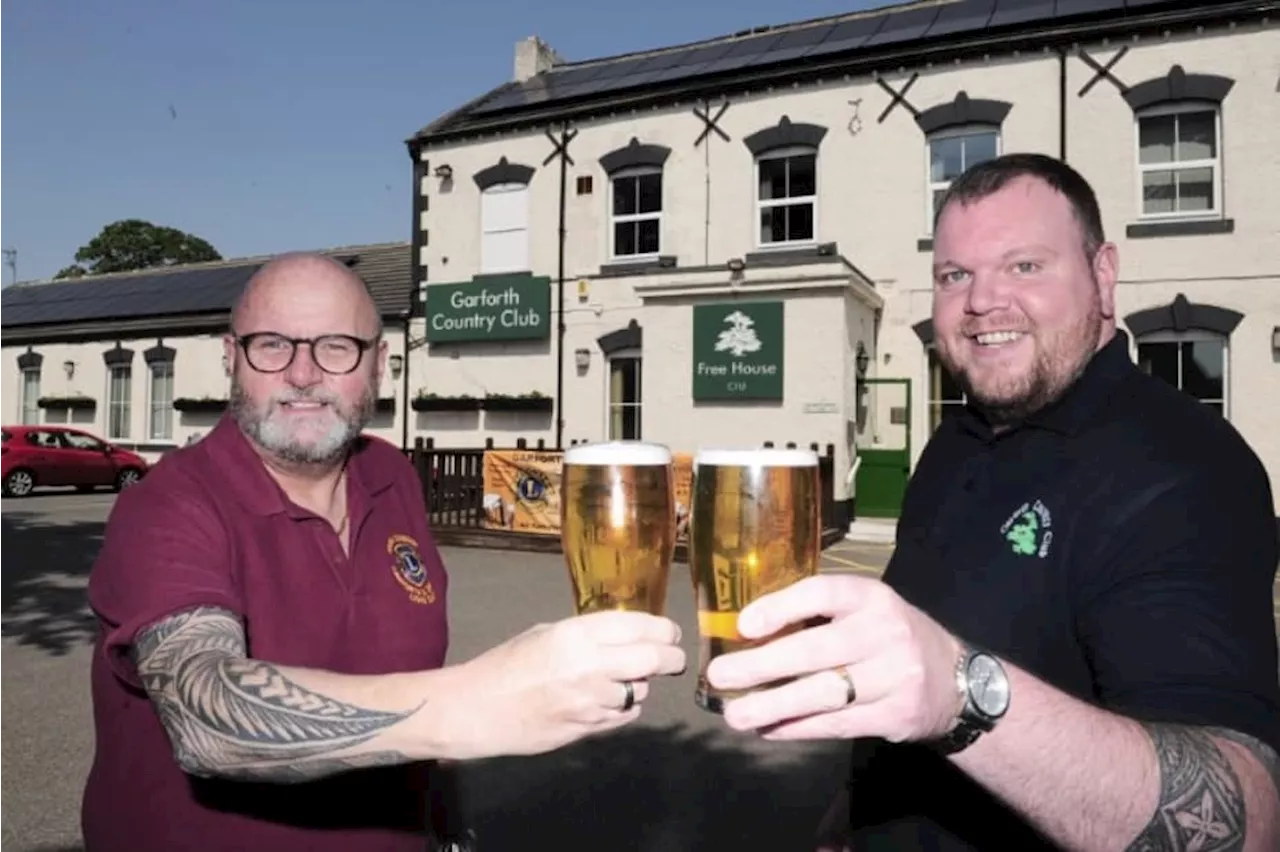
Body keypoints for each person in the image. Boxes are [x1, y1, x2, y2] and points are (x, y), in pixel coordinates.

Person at [705, 153, 1280, 850]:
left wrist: (962, 695)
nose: (982, 302)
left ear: (1103, 275)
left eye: (1024, 266)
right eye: (955, 276)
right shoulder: (954, 443)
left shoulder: (1185, 467)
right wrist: (849, 816)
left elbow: (1245, 822)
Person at [80, 253, 686, 851]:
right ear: (231, 359)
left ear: (380, 366)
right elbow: (205, 714)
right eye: (272, 345)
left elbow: (415, 677)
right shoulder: (167, 504)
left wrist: (446, 827)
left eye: (336, 347)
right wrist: (481, 701)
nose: (302, 374)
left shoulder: (391, 475)